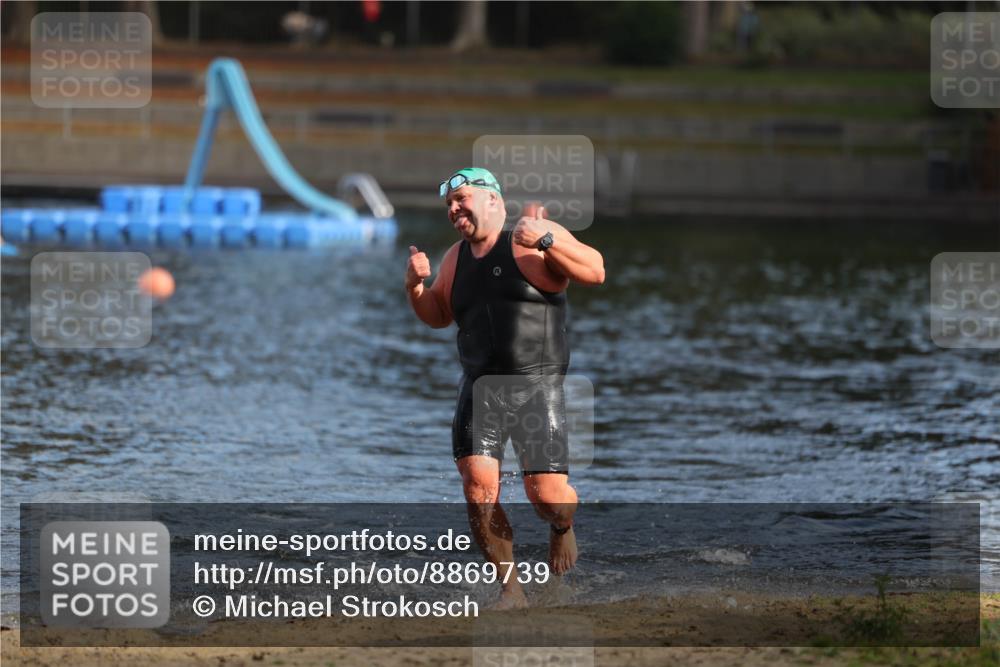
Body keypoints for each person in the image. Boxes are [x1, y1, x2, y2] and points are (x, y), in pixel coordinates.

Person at [405, 167, 605, 608]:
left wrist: (549, 243)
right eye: (449, 204)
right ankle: (511, 590)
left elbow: (595, 271)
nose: (455, 209)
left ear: (493, 199)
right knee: (478, 490)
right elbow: (438, 314)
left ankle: (562, 528)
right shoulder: (456, 258)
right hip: (480, 389)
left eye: (462, 198)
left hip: (538, 387)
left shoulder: (531, 235)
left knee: (549, 499)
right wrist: (415, 285)